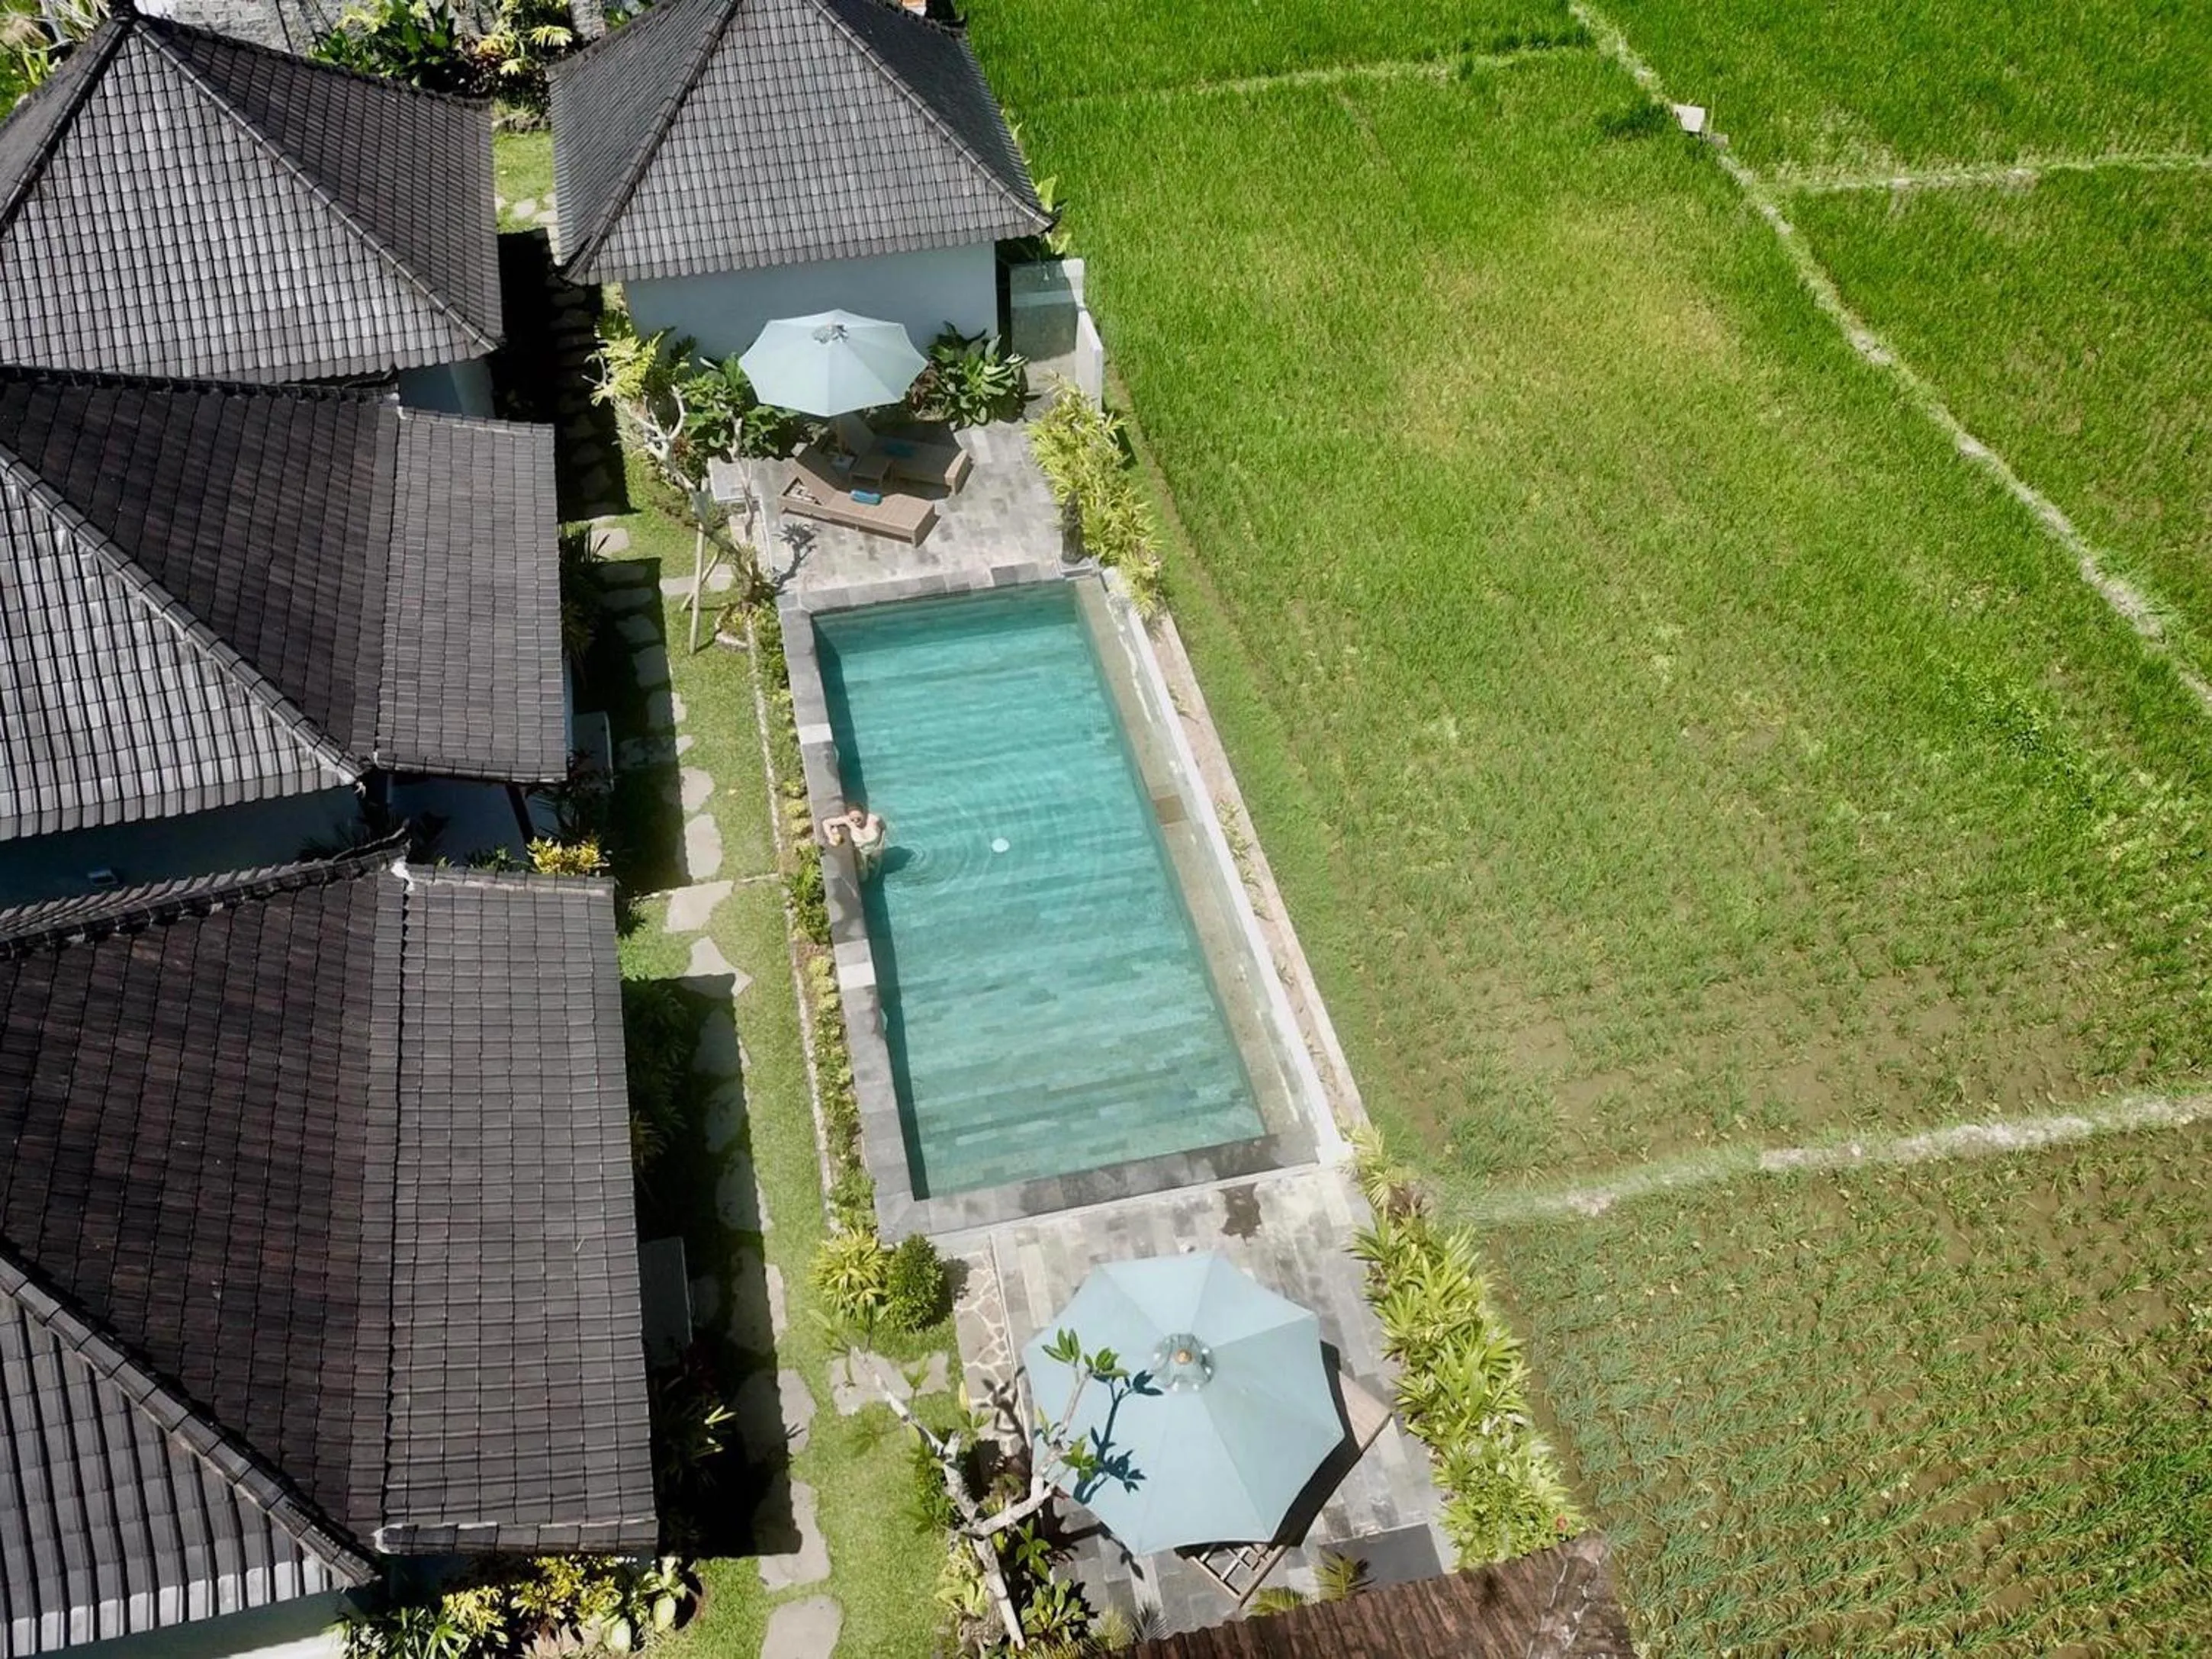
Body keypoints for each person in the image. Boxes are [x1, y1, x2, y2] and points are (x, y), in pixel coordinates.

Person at [821, 802, 887, 876]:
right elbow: (826, 822)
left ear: (864, 813)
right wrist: (831, 837)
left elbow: (884, 829)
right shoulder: (847, 820)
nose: (856, 821)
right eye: (852, 819)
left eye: (859, 818)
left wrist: (881, 845)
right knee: (863, 877)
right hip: (860, 852)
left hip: (876, 849)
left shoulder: (875, 819)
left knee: (876, 873)